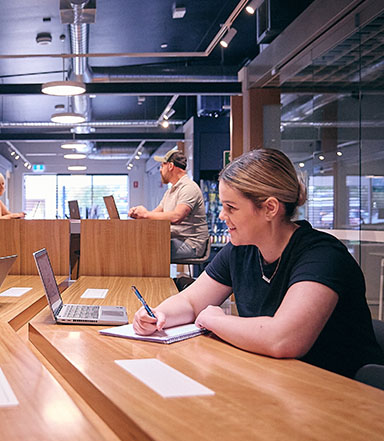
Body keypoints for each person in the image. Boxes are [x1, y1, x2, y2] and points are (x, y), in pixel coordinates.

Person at [133, 148, 384, 378]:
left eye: (231, 207)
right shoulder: (241, 250)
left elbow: (283, 339)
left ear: (270, 208)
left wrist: (214, 319)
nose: (222, 215)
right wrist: (159, 314)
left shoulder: (322, 256)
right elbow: (190, 300)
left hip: (339, 392)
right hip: (280, 381)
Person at [128, 148, 208, 261]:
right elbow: (154, 215)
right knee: (139, 245)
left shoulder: (189, 188)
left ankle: (155, 280)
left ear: (170, 166)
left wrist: (145, 214)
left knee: (146, 250)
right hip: (176, 240)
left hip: (191, 244)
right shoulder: (170, 192)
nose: (160, 170)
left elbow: (177, 217)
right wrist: (139, 214)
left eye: (162, 166)